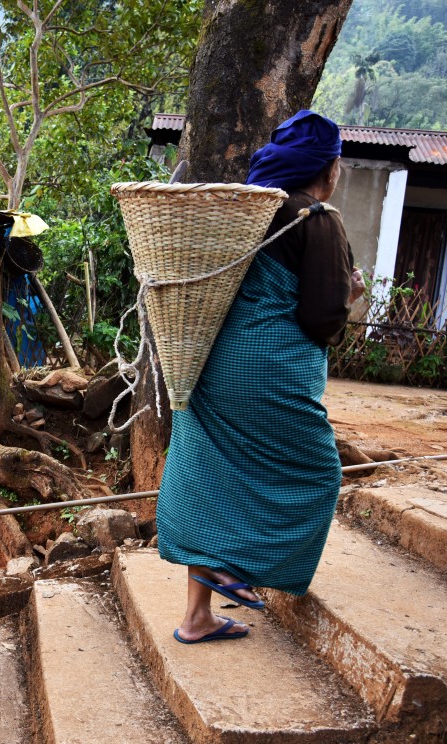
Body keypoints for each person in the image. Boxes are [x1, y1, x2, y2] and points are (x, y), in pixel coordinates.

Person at [156, 110, 366, 644]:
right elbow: (322, 317)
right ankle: (238, 569)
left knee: (209, 478)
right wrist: (350, 296)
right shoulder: (315, 217)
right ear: (330, 166)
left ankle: (196, 617)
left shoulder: (242, 211)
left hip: (204, 360)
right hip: (269, 370)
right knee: (316, 473)